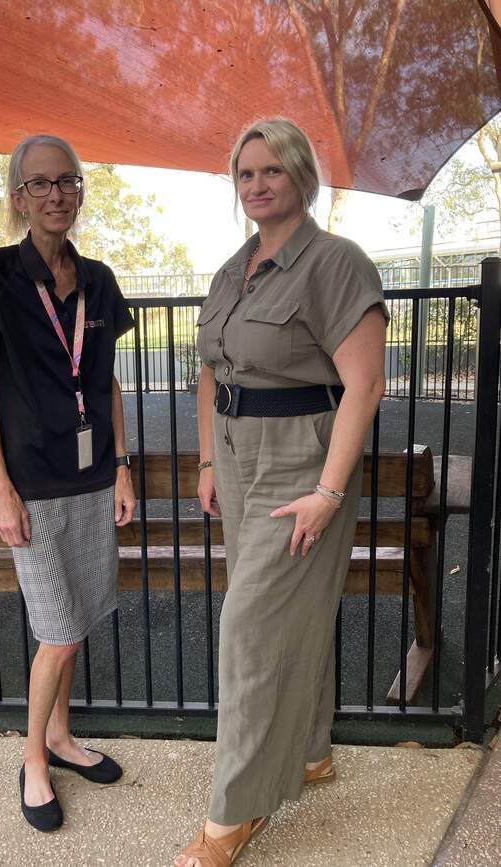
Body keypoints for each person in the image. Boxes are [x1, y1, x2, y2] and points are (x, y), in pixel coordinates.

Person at [175, 118, 389, 866]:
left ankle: (233, 813)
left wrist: (329, 491)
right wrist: (207, 461)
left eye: (272, 169)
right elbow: (210, 371)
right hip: (237, 458)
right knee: (281, 615)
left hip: (303, 458)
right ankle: (310, 752)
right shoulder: (232, 271)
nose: (257, 184)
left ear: (302, 176)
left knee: (249, 631)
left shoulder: (336, 262)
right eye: (246, 173)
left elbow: (365, 383)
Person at [0, 134, 136, 832]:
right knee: (56, 630)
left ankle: (60, 736)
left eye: (68, 181)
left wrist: (121, 467)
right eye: (41, 184)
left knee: (76, 619)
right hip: (31, 487)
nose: (57, 195)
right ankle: (32, 759)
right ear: (18, 198)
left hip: (91, 479)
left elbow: (105, 383)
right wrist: (0, 487)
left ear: (80, 190)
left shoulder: (99, 281)